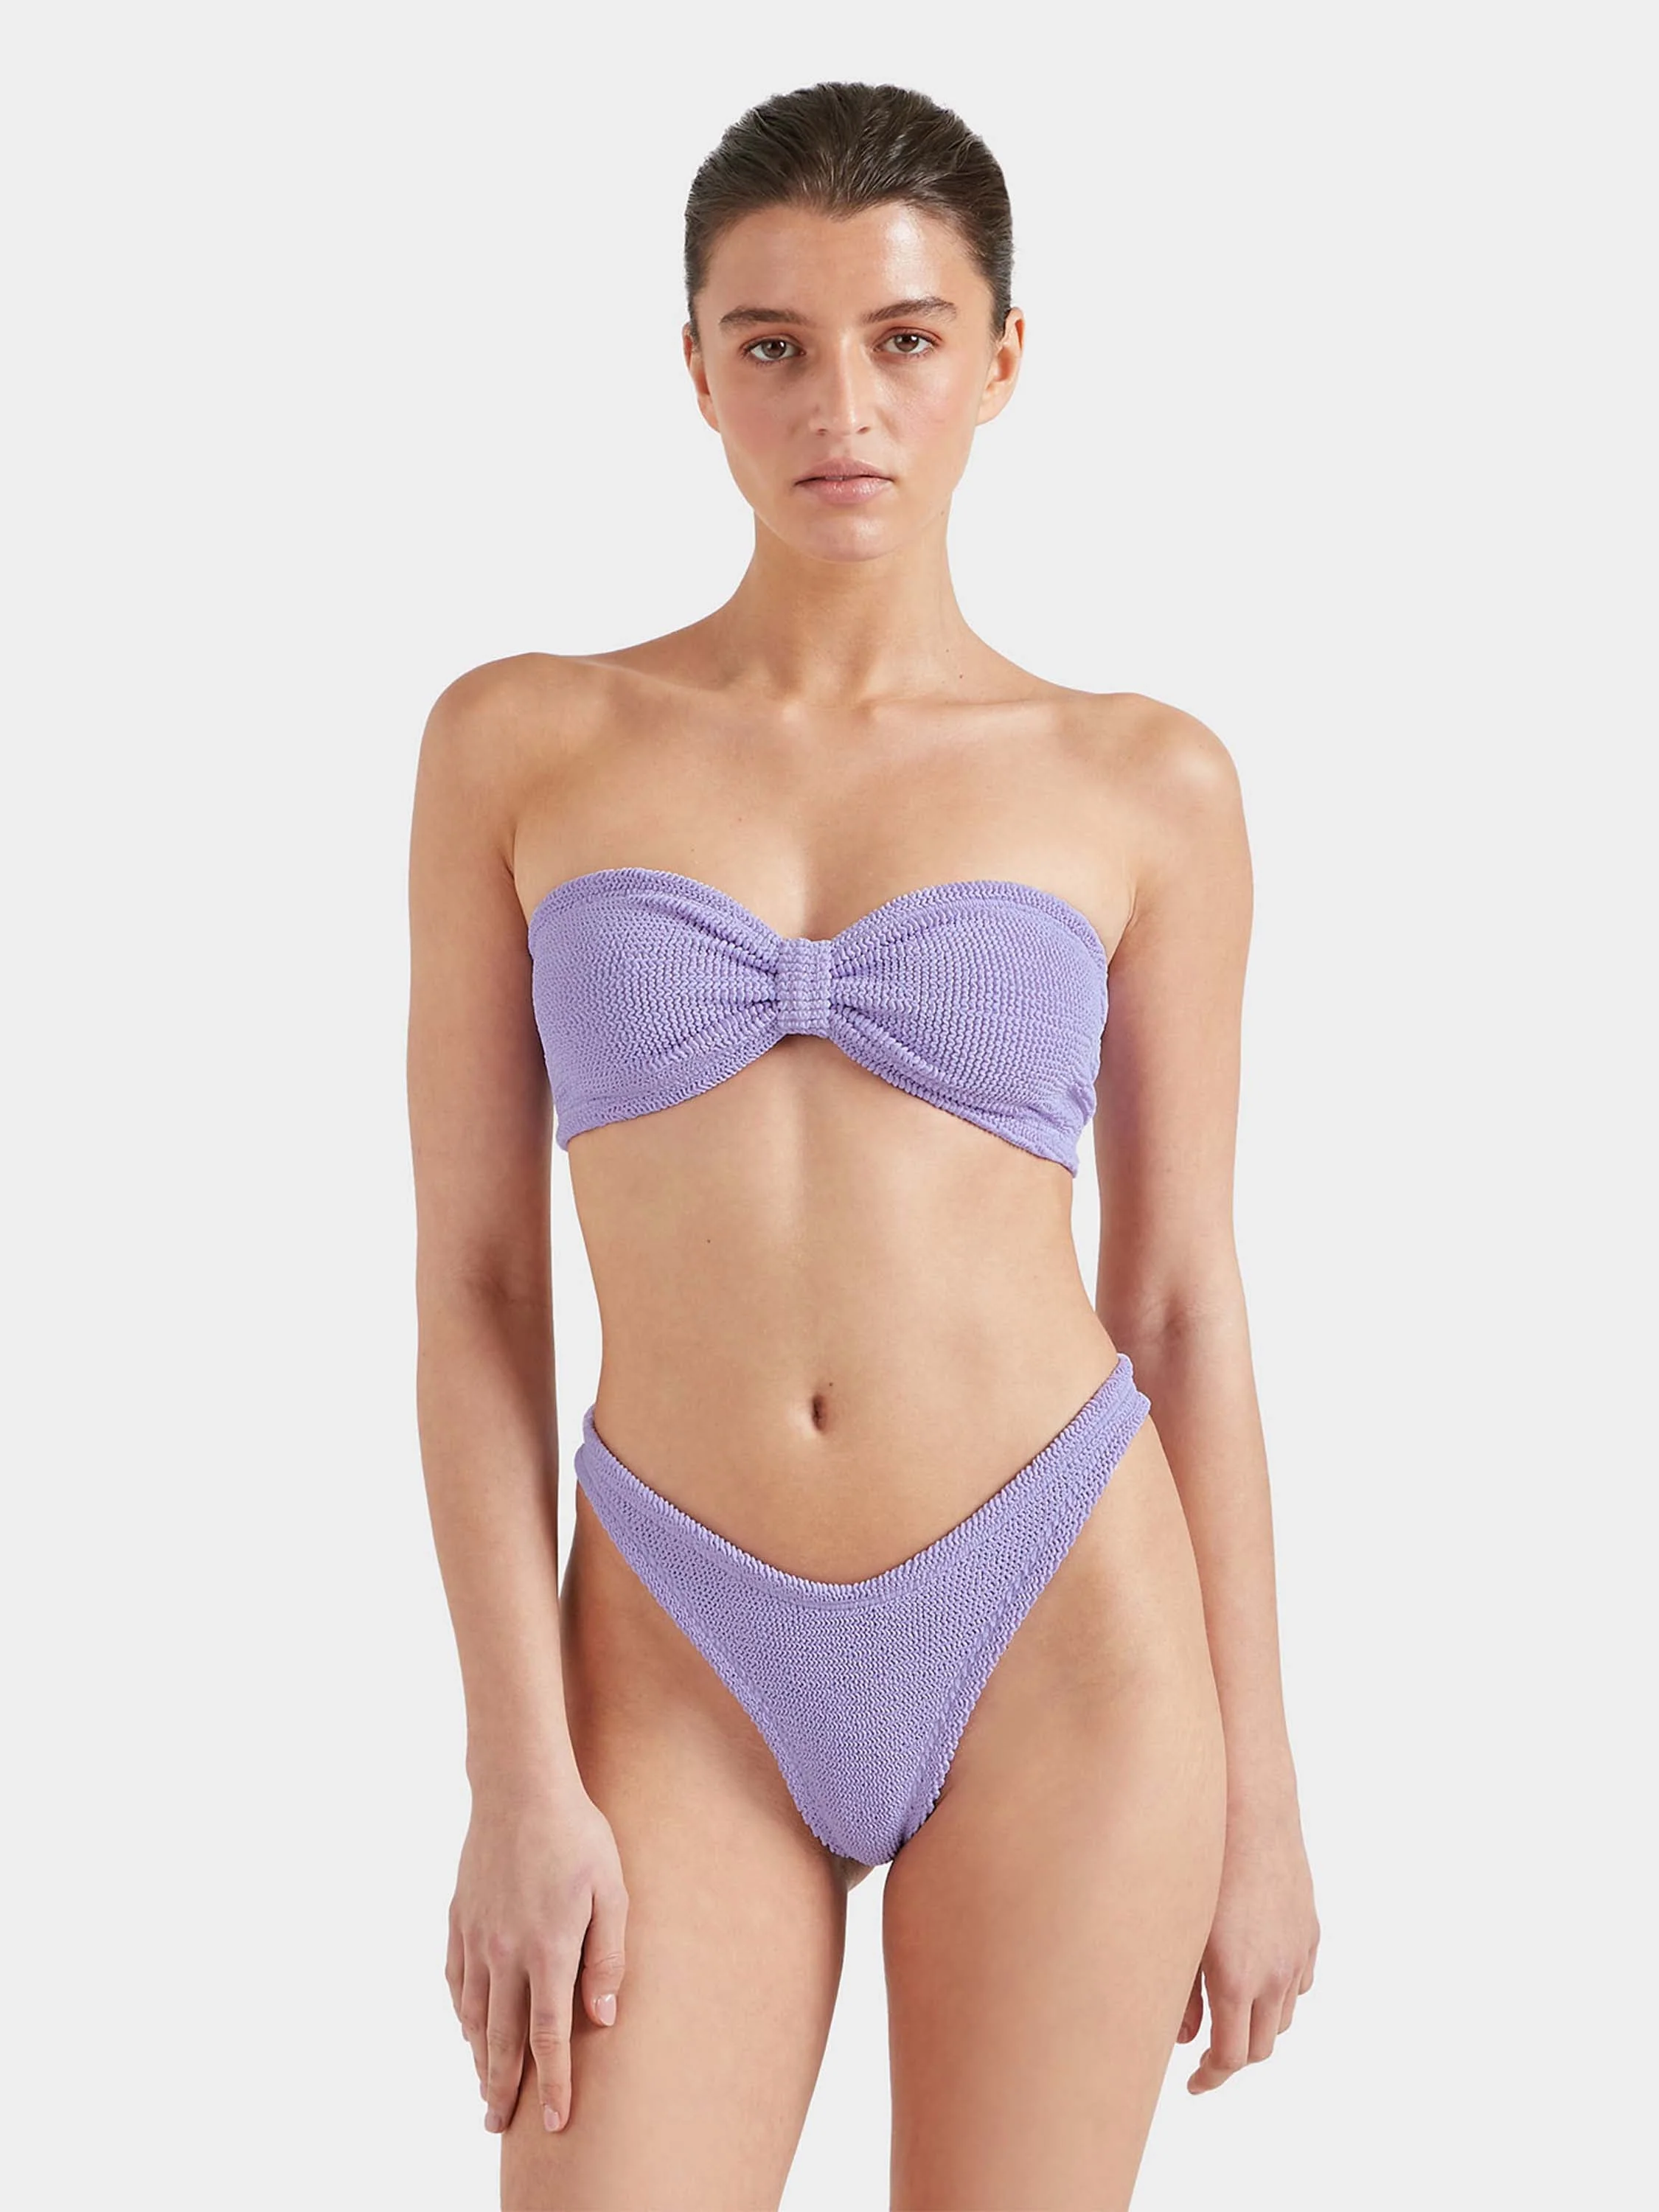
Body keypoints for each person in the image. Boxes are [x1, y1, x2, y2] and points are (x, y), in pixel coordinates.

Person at [406, 77, 1318, 2212]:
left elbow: (1182, 1297)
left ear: (1001, 360)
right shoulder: (520, 741)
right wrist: (513, 1770)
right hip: (674, 1635)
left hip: (1067, 1622)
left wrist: (1262, 1793)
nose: (844, 406)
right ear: (696, 368)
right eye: (776, 342)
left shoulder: (1145, 779)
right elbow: (475, 1282)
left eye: (907, 338)